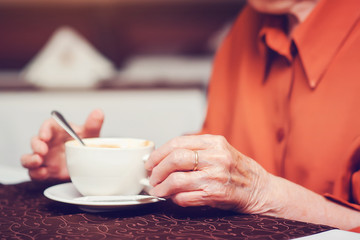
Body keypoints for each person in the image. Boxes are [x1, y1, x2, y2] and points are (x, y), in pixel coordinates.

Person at [21, 0, 360, 231]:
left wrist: (264, 194)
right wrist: (95, 170)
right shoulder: (245, 29)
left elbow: (246, 187)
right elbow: (209, 178)